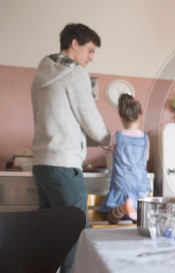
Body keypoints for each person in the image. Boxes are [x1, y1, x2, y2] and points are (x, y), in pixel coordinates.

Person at [31, 23, 110, 273]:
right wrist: (107, 138)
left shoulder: (41, 73)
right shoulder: (74, 73)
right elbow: (89, 117)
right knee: (77, 234)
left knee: (48, 235)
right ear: (74, 44)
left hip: (42, 165)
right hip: (64, 167)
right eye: (89, 50)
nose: (91, 57)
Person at [99, 94, 151, 223]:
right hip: (140, 184)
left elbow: (105, 145)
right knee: (139, 220)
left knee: (110, 218)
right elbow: (146, 158)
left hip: (122, 183)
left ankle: (123, 208)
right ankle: (131, 211)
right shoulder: (145, 138)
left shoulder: (116, 136)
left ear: (121, 117)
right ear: (140, 116)